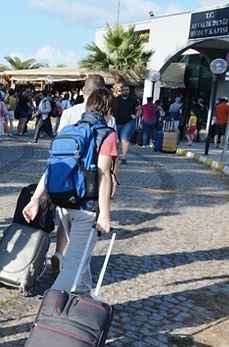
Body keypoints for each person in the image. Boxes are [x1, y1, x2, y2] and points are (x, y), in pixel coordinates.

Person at [23, 87, 118, 294]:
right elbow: (102, 174)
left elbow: (52, 167)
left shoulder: (69, 130)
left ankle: (83, 303)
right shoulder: (106, 134)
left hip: (63, 203)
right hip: (86, 208)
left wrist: (35, 199)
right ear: (108, 110)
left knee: (80, 260)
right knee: (74, 266)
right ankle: (49, 314)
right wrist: (105, 214)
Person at [53, 74, 112, 279]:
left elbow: (59, 147)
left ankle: (59, 253)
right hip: (88, 187)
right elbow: (105, 169)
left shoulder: (70, 114)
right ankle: (71, 271)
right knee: (82, 238)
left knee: (65, 219)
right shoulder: (106, 119)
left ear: (84, 92)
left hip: (63, 179)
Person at [113, 83, 141, 164]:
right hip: (117, 121)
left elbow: (139, 109)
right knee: (116, 140)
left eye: (127, 90)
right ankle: (115, 156)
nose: (125, 91)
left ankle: (124, 157)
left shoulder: (133, 100)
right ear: (121, 91)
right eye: (124, 90)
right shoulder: (116, 99)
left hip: (129, 122)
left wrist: (136, 116)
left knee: (125, 138)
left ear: (129, 91)